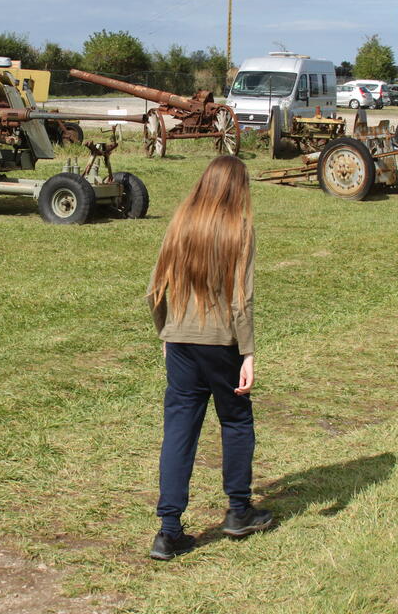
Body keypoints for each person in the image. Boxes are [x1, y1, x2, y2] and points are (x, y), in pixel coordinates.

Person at [146, 155, 271, 560]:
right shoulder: (241, 229)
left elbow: (154, 288)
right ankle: (238, 511)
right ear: (239, 189)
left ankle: (168, 532)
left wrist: (165, 331)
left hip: (180, 343)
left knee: (179, 430)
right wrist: (248, 352)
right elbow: (241, 300)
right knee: (235, 421)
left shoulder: (181, 221)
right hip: (221, 344)